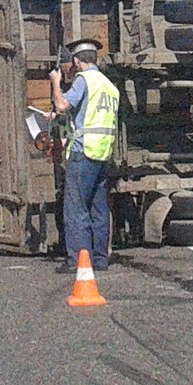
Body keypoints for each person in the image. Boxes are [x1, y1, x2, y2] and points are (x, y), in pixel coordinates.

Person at [49, 38, 120, 272]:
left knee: (76, 209)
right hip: (102, 154)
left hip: (83, 153)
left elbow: (61, 105)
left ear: (78, 61)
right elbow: (91, 117)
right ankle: (100, 259)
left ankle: (78, 261)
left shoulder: (83, 79)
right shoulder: (109, 86)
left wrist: (56, 83)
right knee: (99, 209)